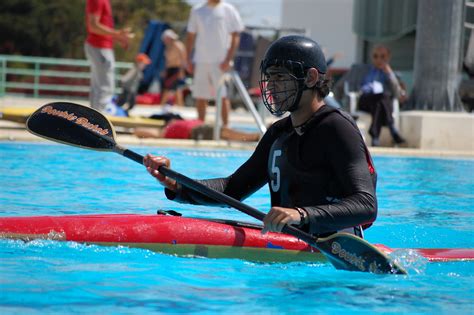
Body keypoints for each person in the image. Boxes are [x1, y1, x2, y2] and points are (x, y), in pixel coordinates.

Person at [143, 35, 378, 238]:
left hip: (337, 245)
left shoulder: (337, 127)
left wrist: (302, 215)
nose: (272, 87)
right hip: (288, 239)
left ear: (311, 78)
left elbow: (366, 205)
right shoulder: (279, 132)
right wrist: (176, 184)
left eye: (280, 78)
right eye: (270, 78)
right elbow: (232, 188)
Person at [185, 0, 244, 126]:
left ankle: (225, 127)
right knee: (201, 96)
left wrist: (228, 59)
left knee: (222, 97)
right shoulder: (197, 10)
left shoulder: (229, 9)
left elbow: (235, 36)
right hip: (201, 60)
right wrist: (188, 59)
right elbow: (190, 36)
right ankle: (200, 127)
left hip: (220, 61)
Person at [84, 0, 133, 113]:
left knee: (99, 86)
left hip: (100, 46)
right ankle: (102, 116)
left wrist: (118, 37)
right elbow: (93, 26)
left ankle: (95, 117)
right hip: (99, 46)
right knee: (105, 86)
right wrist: (117, 34)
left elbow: (99, 26)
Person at [357, 45, 406, 146]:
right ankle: (391, 127)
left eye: (382, 56)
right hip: (366, 99)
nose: (379, 59)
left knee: (380, 102)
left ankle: (375, 136)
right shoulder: (365, 70)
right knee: (382, 98)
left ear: (388, 57)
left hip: (380, 103)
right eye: (375, 56)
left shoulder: (392, 74)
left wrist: (389, 74)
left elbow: (397, 93)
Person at [161, 29, 187, 106]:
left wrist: (181, 71)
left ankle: (163, 105)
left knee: (171, 88)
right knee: (176, 89)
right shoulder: (168, 47)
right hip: (170, 69)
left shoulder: (178, 45)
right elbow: (168, 61)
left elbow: (183, 58)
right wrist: (165, 71)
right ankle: (179, 106)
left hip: (177, 69)